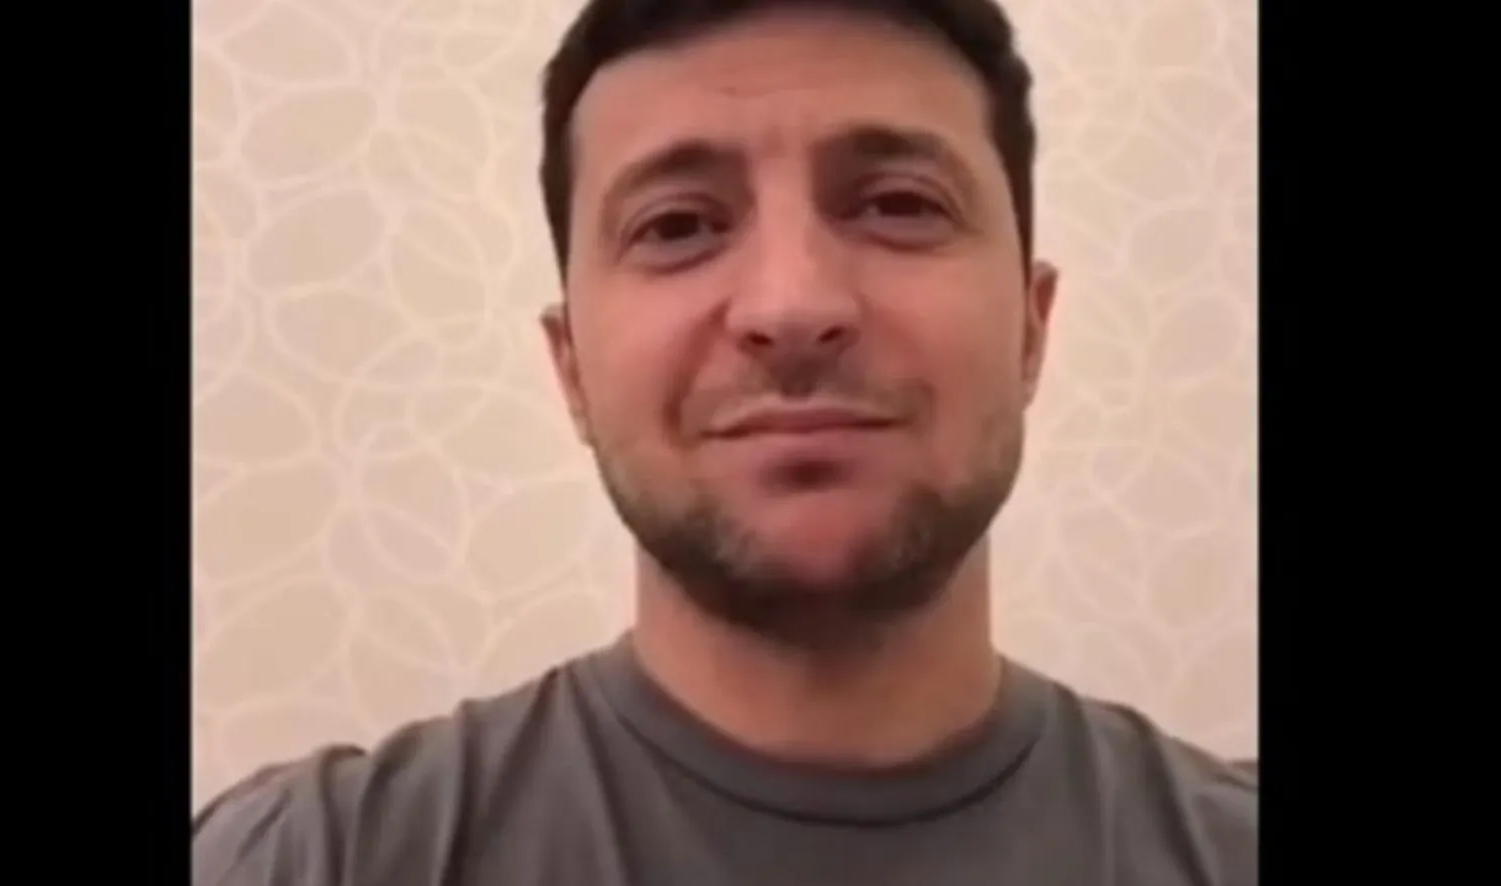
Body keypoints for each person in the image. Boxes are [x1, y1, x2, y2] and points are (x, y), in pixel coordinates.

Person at [192, 0, 1258, 883]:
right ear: (572, 368)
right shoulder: (313, 859)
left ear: (1030, 329)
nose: (792, 304)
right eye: (678, 225)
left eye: (897, 204)